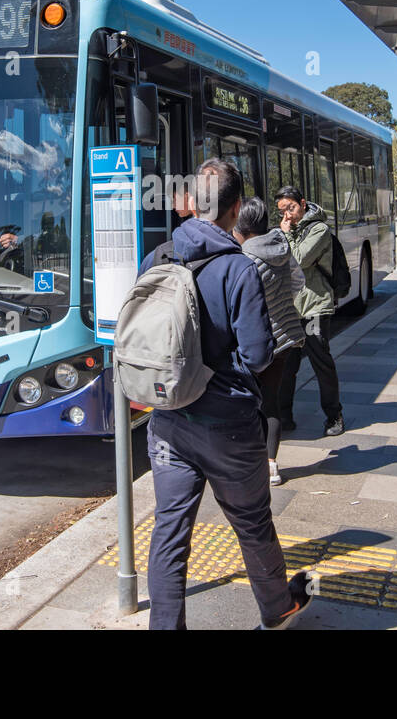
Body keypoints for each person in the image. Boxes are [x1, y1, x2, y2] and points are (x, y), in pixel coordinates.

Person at [137, 158, 312, 630]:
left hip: (168, 420)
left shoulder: (158, 256)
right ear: (237, 209)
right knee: (252, 523)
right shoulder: (238, 268)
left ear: (192, 202)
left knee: (169, 532)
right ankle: (277, 610)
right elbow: (257, 356)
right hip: (228, 426)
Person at [232, 195, 306, 487]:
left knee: (250, 403)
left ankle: (249, 463)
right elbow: (299, 283)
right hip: (287, 337)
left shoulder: (246, 259)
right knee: (272, 402)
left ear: (242, 228)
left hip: (260, 341)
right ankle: (271, 464)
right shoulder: (281, 246)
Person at [274, 186, 344, 438]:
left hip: (315, 305)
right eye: (282, 211)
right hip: (291, 308)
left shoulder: (319, 229)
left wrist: (286, 234)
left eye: (291, 208)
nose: (288, 215)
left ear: (302, 204)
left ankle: (334, 415)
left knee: (320, 362)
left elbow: (299, 258)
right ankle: (284, 416)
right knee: (287, 365)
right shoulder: (286, 229)